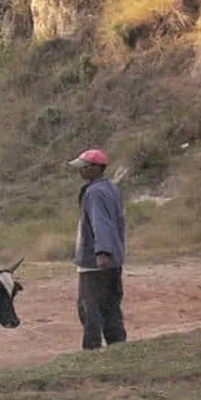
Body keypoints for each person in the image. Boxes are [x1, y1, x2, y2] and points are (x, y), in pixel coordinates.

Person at [68, 148, 127, 350]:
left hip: (95, 262)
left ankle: (91, 348)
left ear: (95, 168)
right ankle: (117, 344)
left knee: (89, 307)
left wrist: (101, 252)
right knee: (111, 305)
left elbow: (99, 223)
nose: (80, 172)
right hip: (115, 260)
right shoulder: (111, 188)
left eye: (84, 168)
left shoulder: (93, 192)